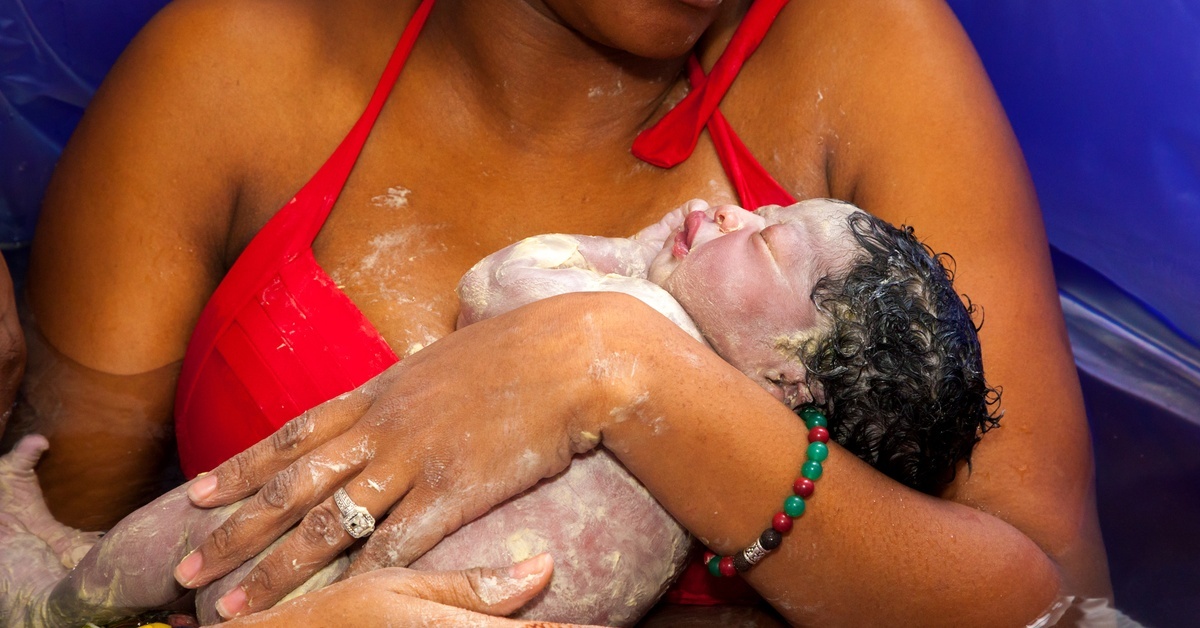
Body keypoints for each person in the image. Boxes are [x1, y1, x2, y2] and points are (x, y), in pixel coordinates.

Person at [18, 0, 1112, 624]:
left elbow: (1051, 603)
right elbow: (57, 561)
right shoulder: (235, 71)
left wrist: (625, 375)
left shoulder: (868, 55)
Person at [0, 197, 998, 626]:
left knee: (197, 527)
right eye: (768, 211)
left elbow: (494, 282)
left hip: (298, 543)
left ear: (789, 375)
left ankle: (53, 603)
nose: (737, 211)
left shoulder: (636, 316)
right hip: (370, 570)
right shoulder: (730, 477)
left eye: (768, 243)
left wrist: (641, 257)